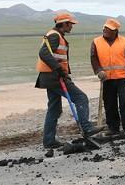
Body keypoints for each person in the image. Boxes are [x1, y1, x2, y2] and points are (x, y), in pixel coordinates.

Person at [36, 12, 102, 149]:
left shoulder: (55, 35)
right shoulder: (54, 35)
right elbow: (43, 53)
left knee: (54, 109)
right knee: (81, 98)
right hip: (54, 77)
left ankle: (49, 141)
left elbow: (53, 55)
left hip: (49, 77)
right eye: (70, 24)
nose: (72, 26)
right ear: (64, 23)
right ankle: (86, 127)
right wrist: (59, 69)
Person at [90, 18, 125, 137]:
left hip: (122, 78)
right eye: (104, 28)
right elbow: (93, 58)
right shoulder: (96, 42)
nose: (105, 30)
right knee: (110, 103)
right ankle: (113, 127)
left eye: (108, 29)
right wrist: (98, 71)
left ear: (115, 31)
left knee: (124, 101)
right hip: (106, 79)